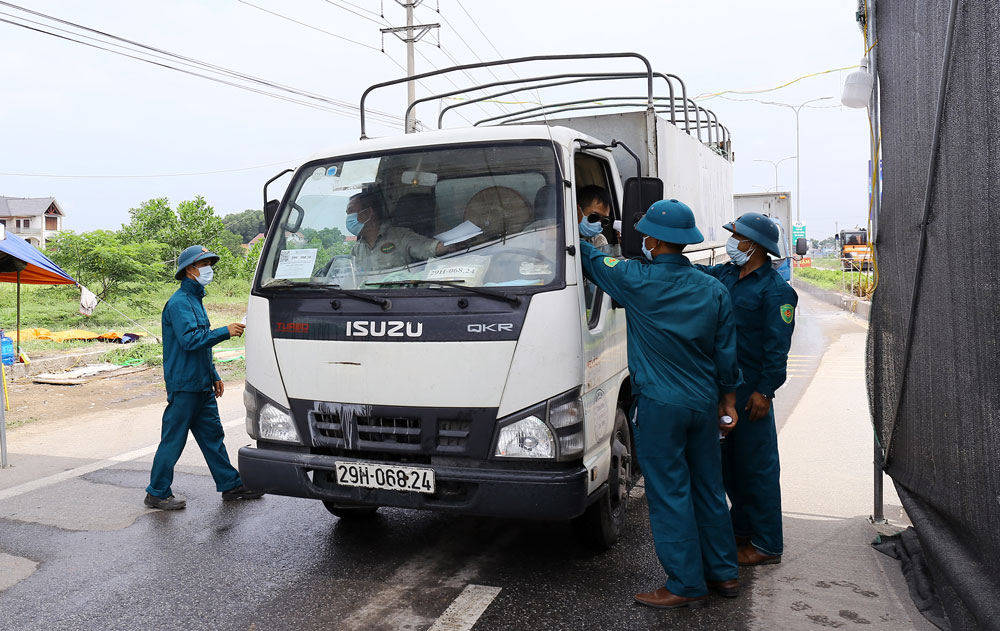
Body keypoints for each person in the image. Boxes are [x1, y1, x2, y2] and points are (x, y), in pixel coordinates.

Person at [580, 199, 743, 609]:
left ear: (652, 240)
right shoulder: (714, 288)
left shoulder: (637, 279)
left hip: (660, 406)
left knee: (670, 493)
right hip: (703, 405)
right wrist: (729, 403)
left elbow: (593, 262)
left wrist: (585, 233)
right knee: (708, 489)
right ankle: (723, 574)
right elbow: (726, 357)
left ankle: (685, 584)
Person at [695, 212, 798, 566]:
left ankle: (768, 544)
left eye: (736, 236)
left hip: (751, 391)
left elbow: (777, 348)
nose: (731, 241)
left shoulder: (777, 291)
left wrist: (765, 392)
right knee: (729, 466)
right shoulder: (725, 273)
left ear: (753, 245)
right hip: (723, 387)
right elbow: (698, 276)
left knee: (758, 468)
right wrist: (666, 258)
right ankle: (742, 530)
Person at [144, 245, 264, 510]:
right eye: (204, 264)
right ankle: (157, 492)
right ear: (190, 270)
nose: (209, 269)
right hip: (185, 385)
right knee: (174, 439)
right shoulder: (179, 303)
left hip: (200, 384)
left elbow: (202, 345)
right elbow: (190, 341)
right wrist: (225, 331)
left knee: (213, 436)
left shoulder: (195, 300)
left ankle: (231, 485)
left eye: (210, 263)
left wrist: (214, 374)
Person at [346, 190, 449, 272]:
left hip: (398, 297)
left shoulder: (400, 236)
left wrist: (451, 245)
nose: (348, 218)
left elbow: (427, 248)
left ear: (368, 212)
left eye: (351, 212)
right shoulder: (357, 249)